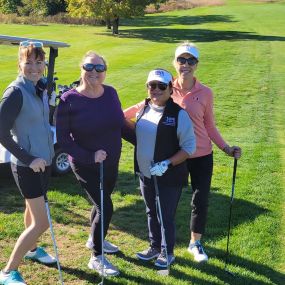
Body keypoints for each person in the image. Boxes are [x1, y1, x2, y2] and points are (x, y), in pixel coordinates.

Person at [124, 43, 242, 263]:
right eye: (181, 60)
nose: (185, 65)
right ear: (174, 63)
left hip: (201, 154)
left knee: (200, 200)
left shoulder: (205, 93)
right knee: (167, 203)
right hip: (174, 156)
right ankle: (160, 245)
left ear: (196, 65)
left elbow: (209, 125)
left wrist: (225, 148)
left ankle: (194, 243)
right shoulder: (164, 87)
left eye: (191, 61)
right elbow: (137, 110)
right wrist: (110, 117)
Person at [56, 51, 124, 276]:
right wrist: (90, 156)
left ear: (105, 71)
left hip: (111, 163)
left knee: (100, 205)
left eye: (99, 68)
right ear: (81, 68)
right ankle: (96, 256)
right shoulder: (69, 100)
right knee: (105, 206)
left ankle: (95, 239)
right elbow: (64, 140)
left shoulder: (111, 93)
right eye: (89, 67)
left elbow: (120, 124)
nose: (94, 72)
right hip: (85, 165)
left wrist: (146, 142)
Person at [124, 69, 196, 268]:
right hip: (145, 173)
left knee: (165, 214)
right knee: (150, 211)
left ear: (171, 89)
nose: (156, 90)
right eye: (152, 85)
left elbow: (189, 147)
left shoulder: (179, 114)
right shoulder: (144, 108)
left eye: (161, 86)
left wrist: (167, 163)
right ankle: (154, 246)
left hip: (169, 175)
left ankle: (167, 252)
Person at [0, 41, 56, 285]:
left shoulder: (38, 87)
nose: (34, 67)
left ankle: (32, 250)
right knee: (41, 222)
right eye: (28, 62)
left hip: (43, 163)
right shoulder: (15, 92)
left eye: (38, 62)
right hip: (27, 167)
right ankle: (7, 272)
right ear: (19, 64)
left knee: (31, 212)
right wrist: (29, 158)